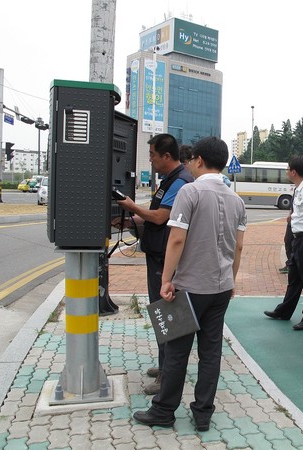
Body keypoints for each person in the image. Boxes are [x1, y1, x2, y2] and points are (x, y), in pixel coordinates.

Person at [133, 136, 247, 431]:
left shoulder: (190, 192)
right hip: (221, 287)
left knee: (176, 350)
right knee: (211, 352)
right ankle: (203, 413)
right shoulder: (237, 200)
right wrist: (231, 280)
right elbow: (239, 248)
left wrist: (167, 279)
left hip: (189, 287)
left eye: (191, 161)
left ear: (197, 160)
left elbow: (178, 238)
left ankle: (164, 411)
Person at [113, 133, 193, 395]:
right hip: (158, 254)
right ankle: (165, 366)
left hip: (166, 260)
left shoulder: (180, 182)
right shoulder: (169, 181)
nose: (151, 160)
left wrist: (132, 207)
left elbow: (160, 217)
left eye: (153, 155)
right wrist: (129, 221)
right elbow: (155, 216)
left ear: (167, 156)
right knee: (161, 314)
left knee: (167, 315)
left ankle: (167, 377)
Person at [264, 155, 303, 330]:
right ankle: (284, 311)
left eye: (288, 169)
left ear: (294, 172)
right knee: (294, 278)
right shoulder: (298, 188)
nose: (287, 171)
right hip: (297, 240)